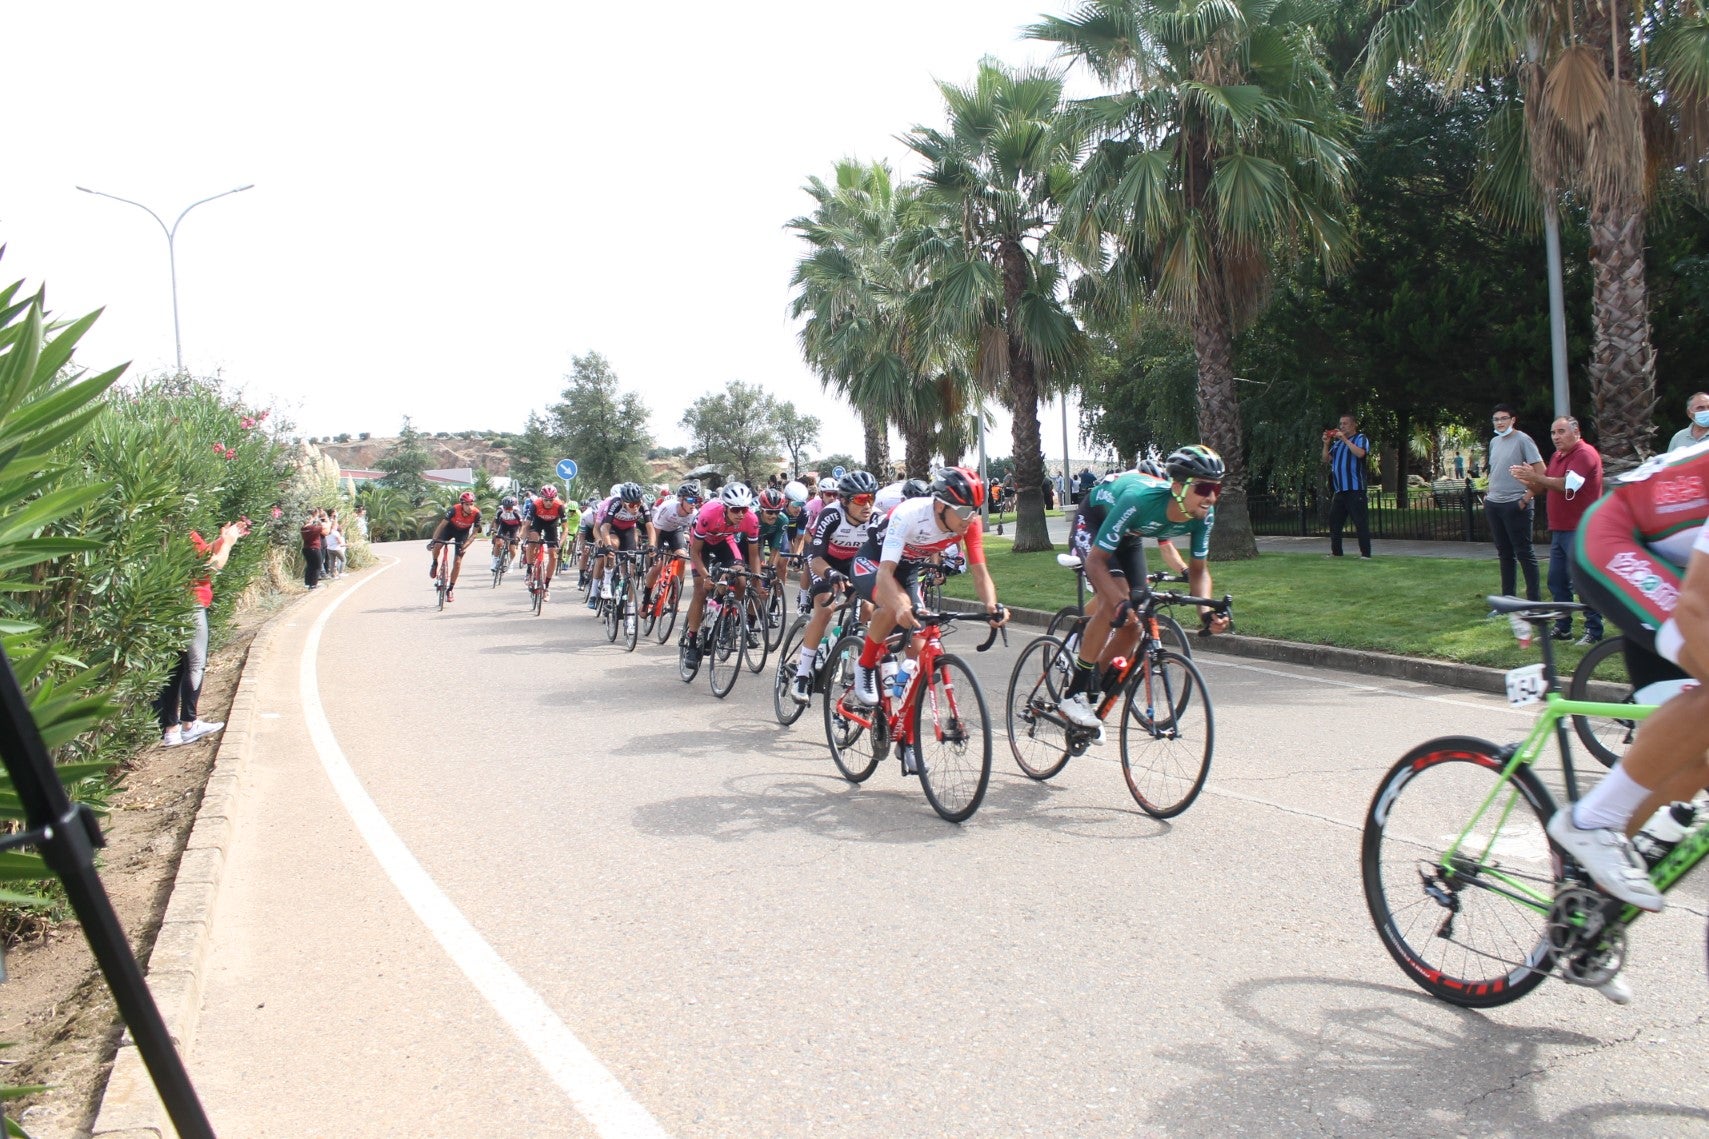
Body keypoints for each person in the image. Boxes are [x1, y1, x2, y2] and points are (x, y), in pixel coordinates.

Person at [1549, 441, 1709, 943]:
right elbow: (1696, 608)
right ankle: (1590, 823)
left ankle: (1588, 920)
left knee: (1690, 765)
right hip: (1615, 541)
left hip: (1672, 565)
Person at [847, 468, 1007, 773]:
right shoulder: (909, 514)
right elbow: (884, 572)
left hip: (907, 573)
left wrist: (992, 606)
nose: (969, 518)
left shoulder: (966, 524)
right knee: (893, 607)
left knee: (920, 652)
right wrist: (900, 606)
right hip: (874, 563)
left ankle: (907, 742)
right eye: (962, 510)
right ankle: (865, 665)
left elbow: (979, 571)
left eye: (974, 511)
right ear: (938, 504)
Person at [1058, 446, 1230, 728]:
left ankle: (1089, 698)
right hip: (1095, 520)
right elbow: (1096, 562)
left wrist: (1205, 613)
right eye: (1203, 488)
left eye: (1216, 488)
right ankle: (1073, 693)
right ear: (1177, 487)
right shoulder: (1140, 499)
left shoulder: (1203, 516)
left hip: (1129, 535)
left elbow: (1199, 571)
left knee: (1134, 626)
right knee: (1113, 605)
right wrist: (1118, 601)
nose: (1211, 497)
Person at [1511, 417, 1604, 644]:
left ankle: (1594, 629)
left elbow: (1567, 485)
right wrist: (1528, 480)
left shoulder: (1584, 454)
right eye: (1553, 433)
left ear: (1576, 431)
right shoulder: (1557, 456)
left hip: (1580, 529)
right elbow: (1545, 487)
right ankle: (1563, 628)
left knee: (1583, 582)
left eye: (1561, 432)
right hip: (1561, 530)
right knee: (1557, 580)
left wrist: (1537, 477)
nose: (1556, 437)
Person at [789, 471, 879, 703]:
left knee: (866, 608)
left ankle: (847, 651)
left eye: (871, 497)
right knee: (826, 609)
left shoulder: (877, 518)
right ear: (845, 501)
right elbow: (816, 557)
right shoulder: (831, 515)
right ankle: (802, 673)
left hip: (854, 563)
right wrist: (830, 573)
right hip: (825, 562)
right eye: (860, 499)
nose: (867, 504)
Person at [157, 519, 248, 747]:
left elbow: (202, 555)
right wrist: (227, 543)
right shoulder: (184, 534)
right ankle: (189, 723)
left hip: (168, 605)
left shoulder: (164, 533)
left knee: (174, 668)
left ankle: (171, 730)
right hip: (191, 605)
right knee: (195, 664)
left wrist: (222, 539)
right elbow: (211, 566)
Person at [681, 482, 764, 667]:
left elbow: (753, 554)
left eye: (744, 509)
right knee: (700, 590)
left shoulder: (751, 519)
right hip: (701, 543)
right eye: (735, 509)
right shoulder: (709, 513)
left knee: (741, 580)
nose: (740, 514)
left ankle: (726, 618)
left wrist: (758, 582)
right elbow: (695, 552)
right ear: (726, 507)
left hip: (724, 540)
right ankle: (692, 642)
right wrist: (706, 576)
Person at [1485, 404, 1545, 605]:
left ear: (1513, 420)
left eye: (1503, 418)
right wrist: (1488, 494)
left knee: (1524, 553)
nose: (1500, 423)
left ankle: (1533, 602)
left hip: (1516, 504)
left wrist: (1525, 498)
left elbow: (1540, 471)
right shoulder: (1494, 442)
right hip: (1494, 504)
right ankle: (1508, 601)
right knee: (1504, 554)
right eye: (1496, 419)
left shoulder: (1523, 440)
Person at [1321, 414, 1372, 559]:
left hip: (1355, 489)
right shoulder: (1337, 444)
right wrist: (1326, 443)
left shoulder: (1360, 438)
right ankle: (1336, 552)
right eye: (1340, 424)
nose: (1342, 426)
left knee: (1360, 522)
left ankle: (1366, 554)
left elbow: (1361, 453)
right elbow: (1326, 459)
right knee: (1334, 521)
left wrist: (1344, 439)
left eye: (1345, 424)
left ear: (1353, 425)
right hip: (1340, 490)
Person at [427, 492, 483, 601]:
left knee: (457, 562)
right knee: (438, 545)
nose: (469, 507)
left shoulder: (477, 514)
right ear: (462, 504)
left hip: (462, 533)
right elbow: (441, 525)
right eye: (466, 504)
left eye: (471, 504)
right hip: (449, 529)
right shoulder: (454, 509)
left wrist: (464, 546)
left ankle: (450, 589)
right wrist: (433, 540)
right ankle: (435, 563)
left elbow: (474, 534)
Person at [490, 494, 525, 573]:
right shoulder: (500, 511)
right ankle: (494, 561)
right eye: (506, 508)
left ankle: (511, 563)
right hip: (504, 526)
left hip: (514, 527)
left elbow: (522, 526)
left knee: (512, 548)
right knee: (498, 542)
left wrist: (519, 535)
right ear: (503, 506)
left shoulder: (516, 513)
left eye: (510, 508)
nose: (508, 510)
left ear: (513, 507)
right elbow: (496, 522)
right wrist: (495, 531)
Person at [301, 509, 328, 588]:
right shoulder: (313, 528)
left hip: (306, 549)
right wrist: (323, 520)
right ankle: (313, 584)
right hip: (314, 548)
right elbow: (323, 528)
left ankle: (307, 583)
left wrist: (314, 518)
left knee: (310, 566)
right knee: (317, 566)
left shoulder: (303, 529)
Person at [323, 515, 345, 579]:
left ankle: (332, 574)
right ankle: (341, 572)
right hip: (336, 548)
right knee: (343, 559)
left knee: (332, 561)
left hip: (329, 548)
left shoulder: (328, 532)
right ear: (334, 526)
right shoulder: (335, 533)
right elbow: (339, 541)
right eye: (336, 525)